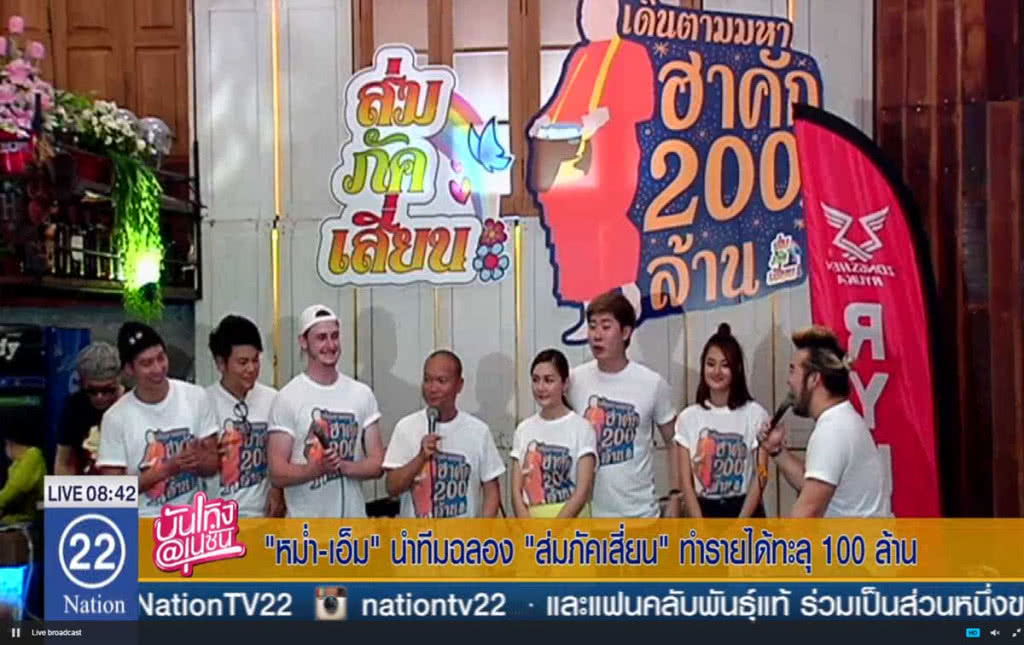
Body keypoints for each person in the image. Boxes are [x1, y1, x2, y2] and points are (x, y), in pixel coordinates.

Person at [527, 0, 653, 343]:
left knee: (610, 223)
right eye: (584, 15)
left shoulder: (631, 53)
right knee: (573, 234)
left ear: (614, 16)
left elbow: (644, 104)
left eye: (595, 14)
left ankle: (627, 291)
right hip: (573, 161)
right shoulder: (581, 57)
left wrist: (605, 115)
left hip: (612, 158)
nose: (587, 21)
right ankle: (589, 311)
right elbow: (563, 100)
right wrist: (546, 119)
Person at [758, 326, 892, 518]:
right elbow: (813, 486)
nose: (789, 381)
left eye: (793, 370)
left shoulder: (832, 431)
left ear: (814, 379)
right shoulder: (840, 420)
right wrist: (776, 450)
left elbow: (806, 513)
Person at [569, 290, 679, 517]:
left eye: (605, 326)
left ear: (626, 332)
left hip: (639, 515)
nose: (596, 335)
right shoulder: (573, 381)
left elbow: (675, 442)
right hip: (587, 516)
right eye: (592, 326)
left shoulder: (651, 383)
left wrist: (676, 495)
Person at [267, 305, 383, 518]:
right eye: (321, 338)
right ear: (303, 342)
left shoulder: (362, 393)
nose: (330, 345)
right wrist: (314, 470)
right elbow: (276, 472)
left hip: (354, 528)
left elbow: (377, 464)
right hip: (306, 530)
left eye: (335, 336)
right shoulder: (288, 397)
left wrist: (343, 466)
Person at [97, 323, 219, 516]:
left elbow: (212, 466)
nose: (158, 368)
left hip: (191, 520)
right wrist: (166, 470)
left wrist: (199, 460)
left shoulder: (196, 397)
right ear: (129, 369)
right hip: (142, 521)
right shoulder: (115, 418)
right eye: (146, 363)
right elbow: (113, 493)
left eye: (161, 358)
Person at [384, 350, 505, 518]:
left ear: (459, 385)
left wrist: (482, 529)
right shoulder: (406, 427)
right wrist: (420, 458)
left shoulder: (478, 431)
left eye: (441, 381)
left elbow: (491, 491)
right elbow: (391, 487)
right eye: (427, 380)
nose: (433, 388)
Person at [674, 324, 770, 518]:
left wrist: (741, 523)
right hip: (703, 512)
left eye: (725, 365)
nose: (717, 371)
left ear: (737, 369)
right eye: (710, 364)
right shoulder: (688, 418)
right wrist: (700, 525)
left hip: (745, 511)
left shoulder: (755, 414)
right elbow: (686, 482)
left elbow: (761, 475)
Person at [206, 314, 285, 517]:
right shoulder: (204, 403)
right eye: (242, 362)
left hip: (264, 518)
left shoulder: (273, 399)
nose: (251, 369)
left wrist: (277, 489)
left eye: (255, 360)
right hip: (218, 518)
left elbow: (283, 457)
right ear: (220, 363)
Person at [511, 349, 596, 518]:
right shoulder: (523, 429)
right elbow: (516, 491)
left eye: (549, 380)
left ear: (564, 384)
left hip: (571, 523)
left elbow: (582, 491)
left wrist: (553, 530)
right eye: (536, 380)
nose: (541, 387)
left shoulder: (582, 428)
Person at [55, 342, 124, 475]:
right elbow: (63, 463)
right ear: (81, 383)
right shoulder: (73, 407)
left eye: (108, 390)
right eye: (92, 390)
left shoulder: (133, 405)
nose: (100, 397)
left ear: (118, 379)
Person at [0, 424, 45, 525]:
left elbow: (15, 488)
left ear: (10, 444)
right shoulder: (16, 464)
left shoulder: (32, 455)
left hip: (31, 519)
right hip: (15, 519)